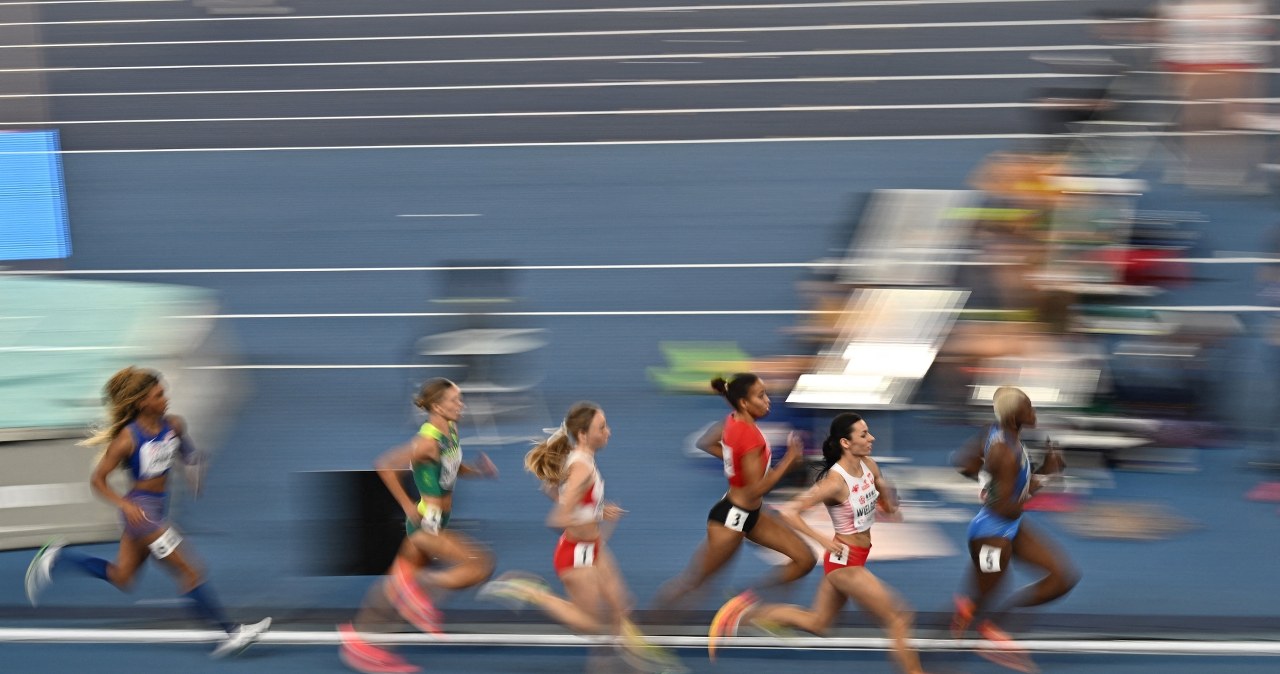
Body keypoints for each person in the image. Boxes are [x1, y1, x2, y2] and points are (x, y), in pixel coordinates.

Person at [24, 367, 270, 658]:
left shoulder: (174, 425)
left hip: (157, 509)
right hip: (142, 514)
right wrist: (125, 504)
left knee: (122, 577)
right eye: (159, 394)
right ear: (143, 402)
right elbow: (97, 480)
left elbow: (186, 452)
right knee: (190, 570)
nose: (166, 398)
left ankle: (59, 557)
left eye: (164, 392)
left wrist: (194, 466)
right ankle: (229, 633)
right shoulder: (127, 439)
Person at [707, 413, 927, 674]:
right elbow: (791, 511)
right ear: (846, 442)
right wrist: (823, 540)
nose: (872, 438)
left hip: (853, 557)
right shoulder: (833, 482)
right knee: (899, 617)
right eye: (864, 434)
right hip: (845, 563)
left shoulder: (870, 465)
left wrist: (889, 504)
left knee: (819, 623)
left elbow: (884, 499)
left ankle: (743, 614)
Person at [477, 402, 680, 673]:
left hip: (593, 547)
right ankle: (531, 591)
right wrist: (596, 514)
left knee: (620, 606)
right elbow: (557, 519)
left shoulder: (578, 458)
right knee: (594, 624)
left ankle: (613, 665)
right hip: (576, 555)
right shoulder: (582, 467)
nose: (609, 431)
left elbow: (549, 487)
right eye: (602, 427)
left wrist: (595, 509)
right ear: (584, 435)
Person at [339, 378, 498, 674]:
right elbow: (384, 464)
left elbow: (451, 465)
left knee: (398, 579)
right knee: (479, 564)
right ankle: (417, 595)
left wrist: (477, 471)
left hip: (440, 520)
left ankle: (363, 642)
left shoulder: (449, 429)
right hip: (428, 523)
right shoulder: (426, 441)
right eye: (455, 400)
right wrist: (407, 505)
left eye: (460, 398)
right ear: (437, 406)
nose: (461, 404)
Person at [655, 373, 815, 608]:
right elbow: (753, 491)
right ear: (744, 403)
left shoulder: (731, 420)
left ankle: (746, 603)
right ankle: (643, 625)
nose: (768, 400)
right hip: (731, 520)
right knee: (695, 582)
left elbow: (706, 443)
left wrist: (734, 463)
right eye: (761, 396)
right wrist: (787, 463)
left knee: (805, 559)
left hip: (752, 515)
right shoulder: (751, 438)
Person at [952, 386, 1079, 672]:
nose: (1033, 412)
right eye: (1029, 408)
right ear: (1014, 416)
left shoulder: (995, 431)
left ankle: (981, 619)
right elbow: (1008, 507)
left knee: (1061, 577)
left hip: (1008, 528)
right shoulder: (1005, 453)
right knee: (988, 592)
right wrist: (1046, 474)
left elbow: (964, 464)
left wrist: (987, 482)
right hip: (991, 538)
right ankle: (978, 632)